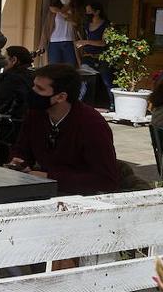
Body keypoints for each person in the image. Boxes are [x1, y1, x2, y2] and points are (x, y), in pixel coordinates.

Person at [9, 63, 121, 195]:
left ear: (61, 97)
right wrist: (18, 161)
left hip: (79, 198)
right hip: (44, 190)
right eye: (34, 85)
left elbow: (106, 180)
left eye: (40, 89)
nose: (33, 91)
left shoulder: (92, 124)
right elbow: (22, 149)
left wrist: (49, 177)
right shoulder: (36, 114)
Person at [40, 0, 80, 66]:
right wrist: (42, 44)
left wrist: (60, 11)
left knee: (70, 68)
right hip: (54, 43)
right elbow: (46, 28)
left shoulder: (75, 10)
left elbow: (76, 22)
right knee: (54, 68)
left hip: (70, 42)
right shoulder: (52, 12)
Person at [0, 46, 36, 119]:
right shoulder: (35, 75)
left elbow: (1, 104)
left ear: (14, 60)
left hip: (12, 122)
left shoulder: (11, 78)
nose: (2, 62)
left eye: (5, 58)